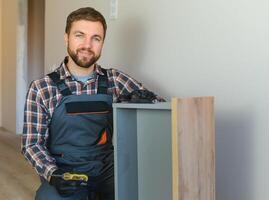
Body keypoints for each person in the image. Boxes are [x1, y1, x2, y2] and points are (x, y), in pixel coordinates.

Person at [21, 7, 163, 200]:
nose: (87, 45)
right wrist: (53, 175)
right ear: (66, 38)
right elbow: (32, 144)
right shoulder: (42, 88)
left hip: (107, 169)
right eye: (80, 35)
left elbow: (159, 107)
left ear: (102, 43)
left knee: (141, 191)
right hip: (64, 170)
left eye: (96, 38)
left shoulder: (115, 80)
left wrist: (146, 101)